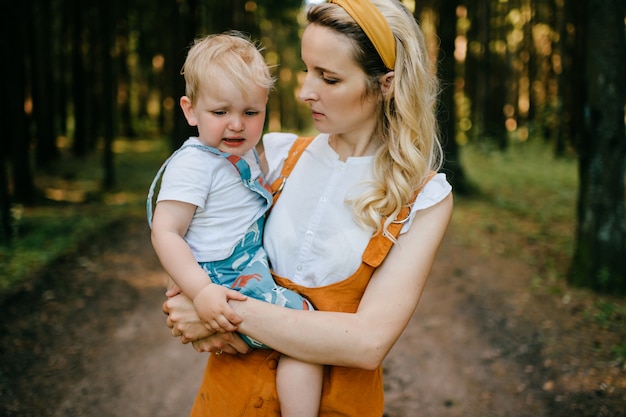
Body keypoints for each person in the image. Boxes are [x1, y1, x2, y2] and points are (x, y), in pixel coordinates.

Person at [163, 1, 454, 415]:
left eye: (329, 78)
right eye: (306, 69)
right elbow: (200, 239)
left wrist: (216, 312)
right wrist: (188, 296)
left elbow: (366, 342)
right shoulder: (276, 156)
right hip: (227, 401)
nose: (304, 92)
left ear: (386, 84)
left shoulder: (424, 198)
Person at [147, 32, 323, 417]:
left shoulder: (244, 155)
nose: (236, 125)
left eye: (250, 112)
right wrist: (201, 290)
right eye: (220, 112)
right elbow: (166, 231)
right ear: (190, 111)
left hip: (242, 269)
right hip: (221, 277)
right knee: (308, 332)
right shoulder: (193, 165)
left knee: (300, 336)